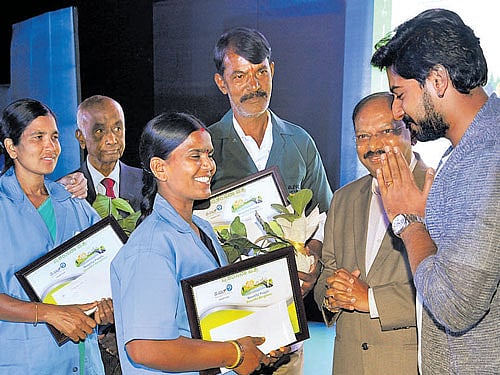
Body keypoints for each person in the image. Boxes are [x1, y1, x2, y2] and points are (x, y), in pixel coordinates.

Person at [371, 8, 499, 374]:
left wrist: (409, 222)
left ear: (438, 80)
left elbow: (455, 306)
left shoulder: (485, 160)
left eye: (400, 94)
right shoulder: (468, 150)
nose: (396, 110)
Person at [110, 112, 284, 374]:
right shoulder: (150, 248)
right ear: (159, 168)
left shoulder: (202, 228)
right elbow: (145, 347)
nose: (209, 165)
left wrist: (258, 342)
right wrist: (235, 354)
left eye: (209, 154)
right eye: (195, 156)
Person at [209, 27, 333, 373]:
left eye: (261, 71)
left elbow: (324, 214)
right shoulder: (205, 147)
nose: (254, 85)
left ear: (273, 70)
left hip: (286, 317)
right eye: (240, 76)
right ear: (222, 83)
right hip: (228, 318)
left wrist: (314, 262)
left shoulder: (300, 141)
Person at [314, 92, 426, 374]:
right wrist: (331, 294)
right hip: (348, 364)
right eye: (362, 136)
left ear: (411, 132)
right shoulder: (343, 198)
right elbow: (326, 274)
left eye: (385, 131)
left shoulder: (439, 191)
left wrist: (370, 299)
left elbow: (450, 293)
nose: (373, 145)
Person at [0, 98, 114, 374]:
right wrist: (49, 313)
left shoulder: (75, 205)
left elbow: (112, 269)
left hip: (85, 360)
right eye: (38, 137)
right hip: (26, 362)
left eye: (54, 137)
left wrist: (108, 308)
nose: (50, 147)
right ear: (11, 147)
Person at [72, 95, 142, 211]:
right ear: (81, 138)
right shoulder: (68, 190)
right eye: (100, 131)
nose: (112, 140)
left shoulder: (147, 183)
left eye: (117, 129)